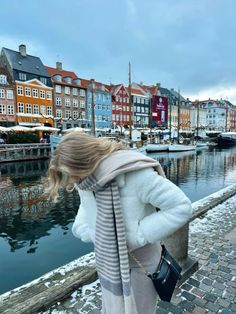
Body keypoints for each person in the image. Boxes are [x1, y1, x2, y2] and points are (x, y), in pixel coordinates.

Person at [45, 131, 192, 314]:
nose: (73, 181)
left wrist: (137, 234)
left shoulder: (136, 174)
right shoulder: (85, 180)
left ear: (85, 160)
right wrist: (93, 232)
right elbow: (85, 209)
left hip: (142, 263)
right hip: (108, 261)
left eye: (73, 174)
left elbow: (181, 206)